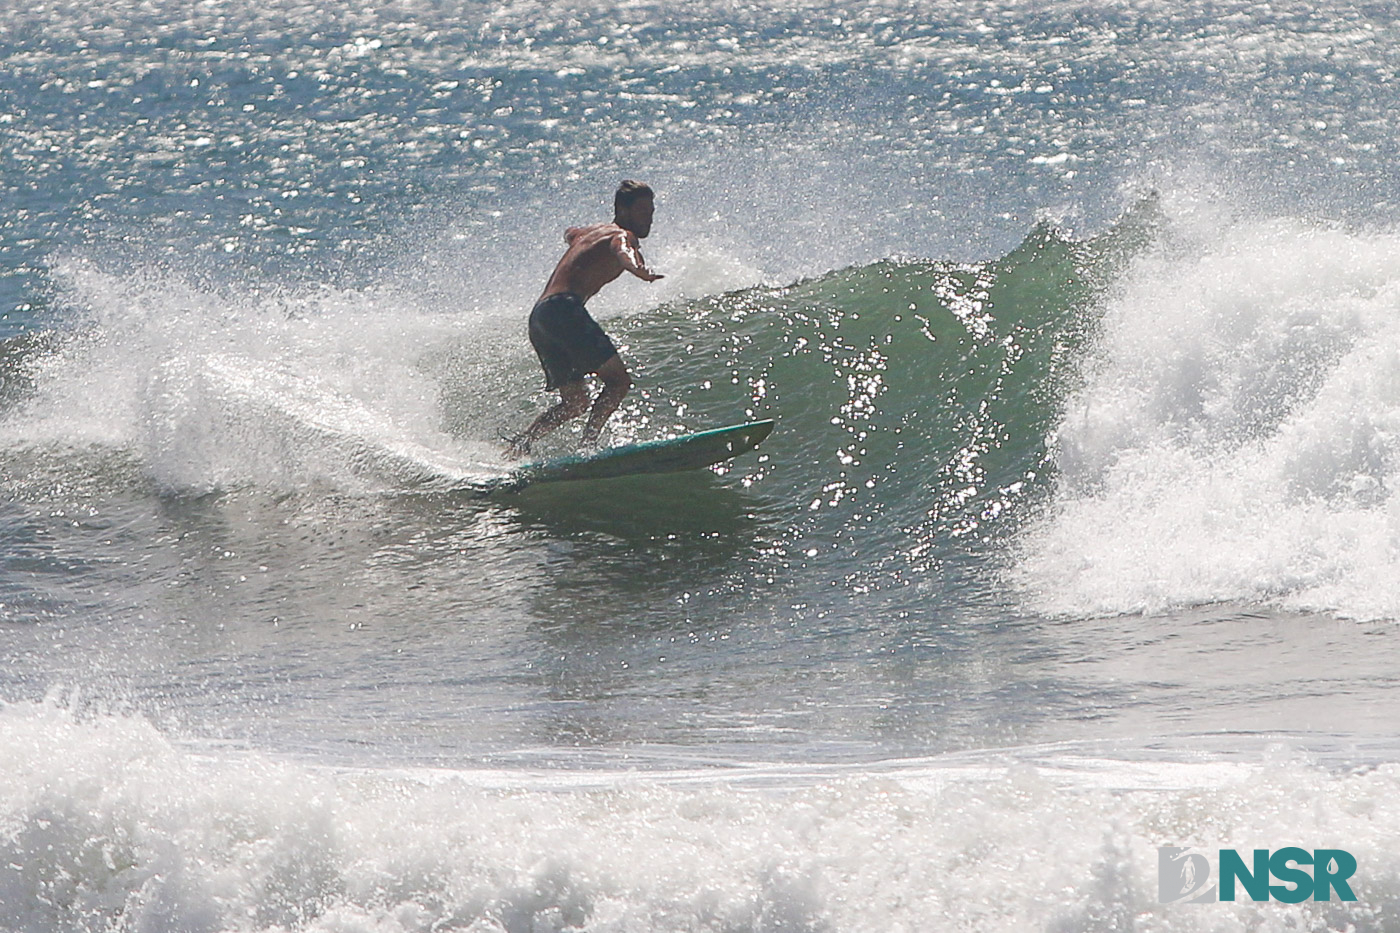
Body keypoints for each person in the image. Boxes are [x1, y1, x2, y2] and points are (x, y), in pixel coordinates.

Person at [504, 180, 664, 458]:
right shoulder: (623, 235)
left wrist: (572, 236)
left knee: (575, 403)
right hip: (565, 309)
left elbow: (571, 233)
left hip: (540, 317)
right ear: (622, 211)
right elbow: (623, 251)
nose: (648, 219)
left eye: (651, 212)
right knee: (618, 382)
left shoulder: (589, 233)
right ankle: (587, 447)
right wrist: (640, 270)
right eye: (642, 212)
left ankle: (520, 445)